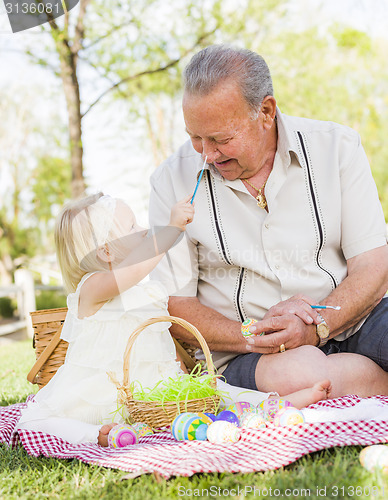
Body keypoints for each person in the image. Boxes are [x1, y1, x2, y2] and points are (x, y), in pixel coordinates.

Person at [149, 44, 388, 398]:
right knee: (301, 376)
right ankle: (366, 383)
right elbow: (176, 304)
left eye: (220, 139)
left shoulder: (337, 147)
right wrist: (255, 334)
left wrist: (318, 328)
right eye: (195, 137)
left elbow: (373, 264)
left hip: (353, 318)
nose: (207, 155)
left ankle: (355, 382)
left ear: (265, 111)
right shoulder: (170, 179)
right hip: (250, 351)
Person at [16, 192, 195, 446]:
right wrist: (171, 229)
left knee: (213, 394)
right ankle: (93, 434)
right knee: (35, 421)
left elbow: (159, 341)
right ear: (106, 251)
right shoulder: (93, 288)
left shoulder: (143, 292)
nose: (143, 230)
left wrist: (182, 377)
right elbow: (132, 270)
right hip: (101, 393)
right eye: (132, 227)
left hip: (147, 390)